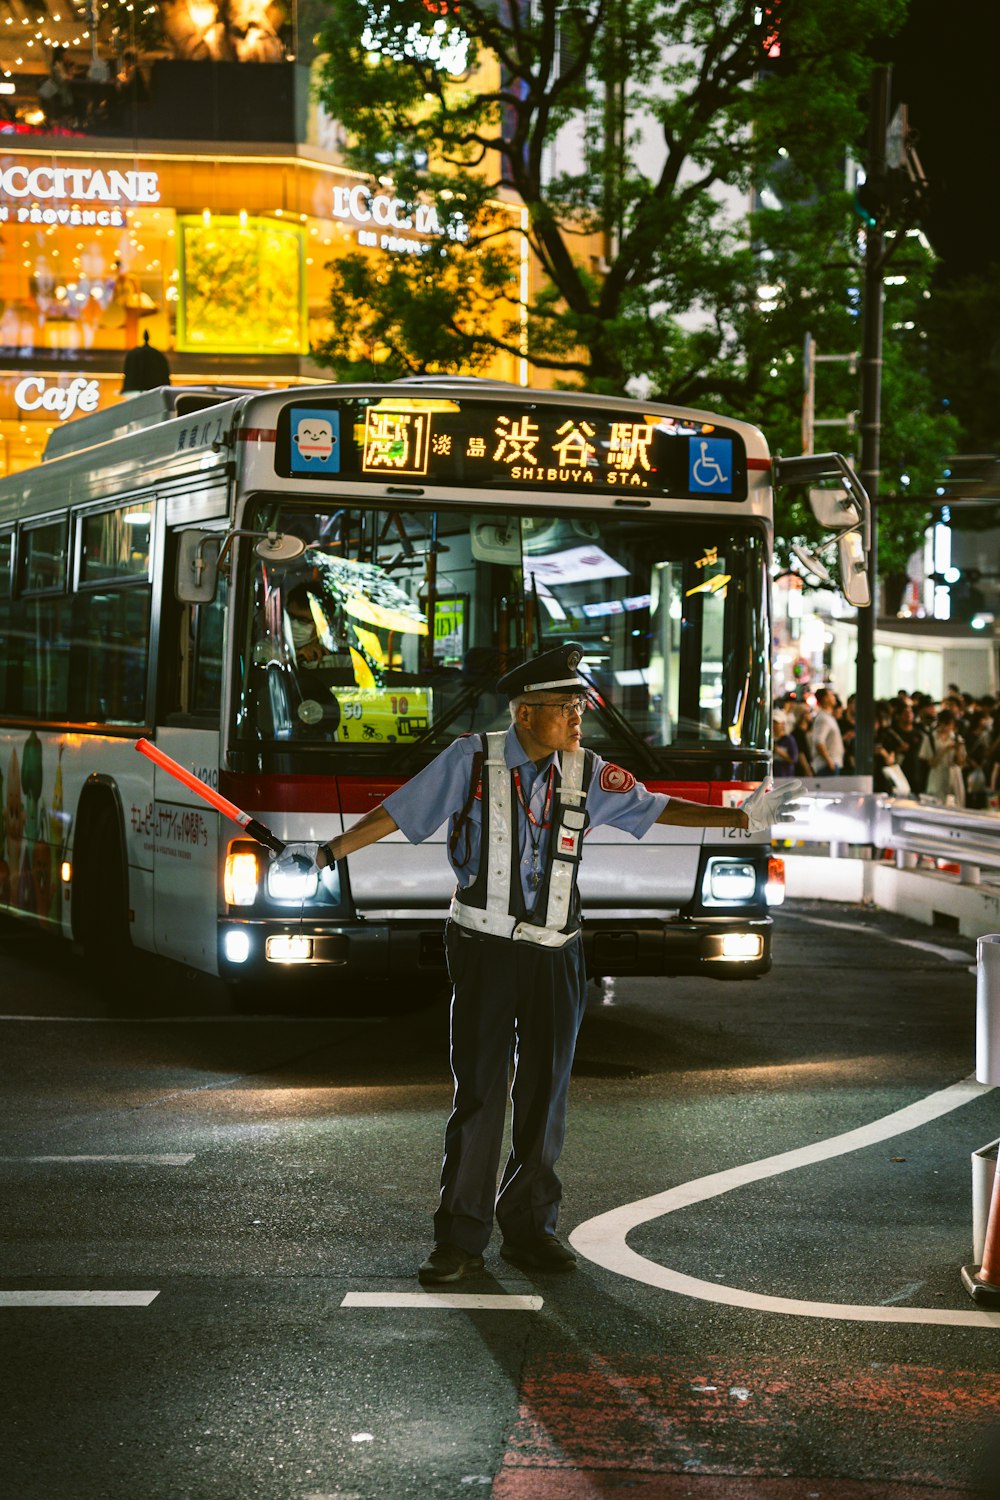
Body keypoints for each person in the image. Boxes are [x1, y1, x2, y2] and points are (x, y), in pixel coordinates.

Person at [310, 643, 802, 1284]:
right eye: (565, 707)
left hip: (557, 950)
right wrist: (324, 854)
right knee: (482, 1093)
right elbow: (396, 814)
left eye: (578, 705)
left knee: (547, 1093)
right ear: (524, 714)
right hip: (483, 947)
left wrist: (741, 817)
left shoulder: (589, 771)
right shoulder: (472, 759)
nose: (578, 718)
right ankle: (460, 1239)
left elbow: (655, 808)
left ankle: (530, 1230)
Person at [810, 687, 844, 777]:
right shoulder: (823, 718)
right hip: (826, 766)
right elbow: (819, 741)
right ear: (825, 699)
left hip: (832, 764)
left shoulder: (828, 717)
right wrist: (829, 761)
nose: (834, 697)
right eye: (831, 695)